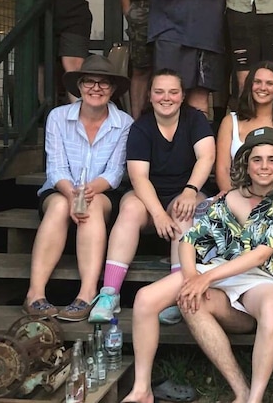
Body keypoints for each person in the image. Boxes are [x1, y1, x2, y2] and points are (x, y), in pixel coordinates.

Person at [121, 127, 273, 403]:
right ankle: (142, 389)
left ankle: (254, 398)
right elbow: (188, 239)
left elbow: (260, 255)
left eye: (271, 160)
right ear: (246, 164)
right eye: (257, 159)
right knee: (145, 298)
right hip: (217, 270)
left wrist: (206, 278)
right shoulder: (227, 199)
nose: (264, 166)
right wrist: (192, 274)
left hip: (261, 276)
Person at [89, 69, 215, 323]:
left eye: (173, 92)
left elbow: (206, 156)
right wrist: (157, 213)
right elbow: (138, 177)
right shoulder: (141, 127)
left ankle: (178, 294)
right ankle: (109, 294)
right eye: (159, 92)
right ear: (150, 96)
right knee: (131, 209)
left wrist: (190, 191)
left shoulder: (195, 120)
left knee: (184, 211)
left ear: (182, 97)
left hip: (186, 190)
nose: (165, 97)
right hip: (149, 195)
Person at [22, 55, 132, 321]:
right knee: (59, 206)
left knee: (91, 208)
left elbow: (116, 172)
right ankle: (34, 295)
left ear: (113, 89)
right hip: (61, 190)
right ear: (80, 87)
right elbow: (56, 167)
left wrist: (87, 192)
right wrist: (73, 194)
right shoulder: (58, 117)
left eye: (104, 83)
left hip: (101, 191)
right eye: (89, 82)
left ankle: (86, 294)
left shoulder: (124, 123)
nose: (96, 88)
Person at [216, 61, 273, 193]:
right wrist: (233, 201)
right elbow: (223, 169)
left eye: (269, 83)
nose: (263, 87)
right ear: (250, 85)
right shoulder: (230, 121)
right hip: (233, 196)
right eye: (257, 82)